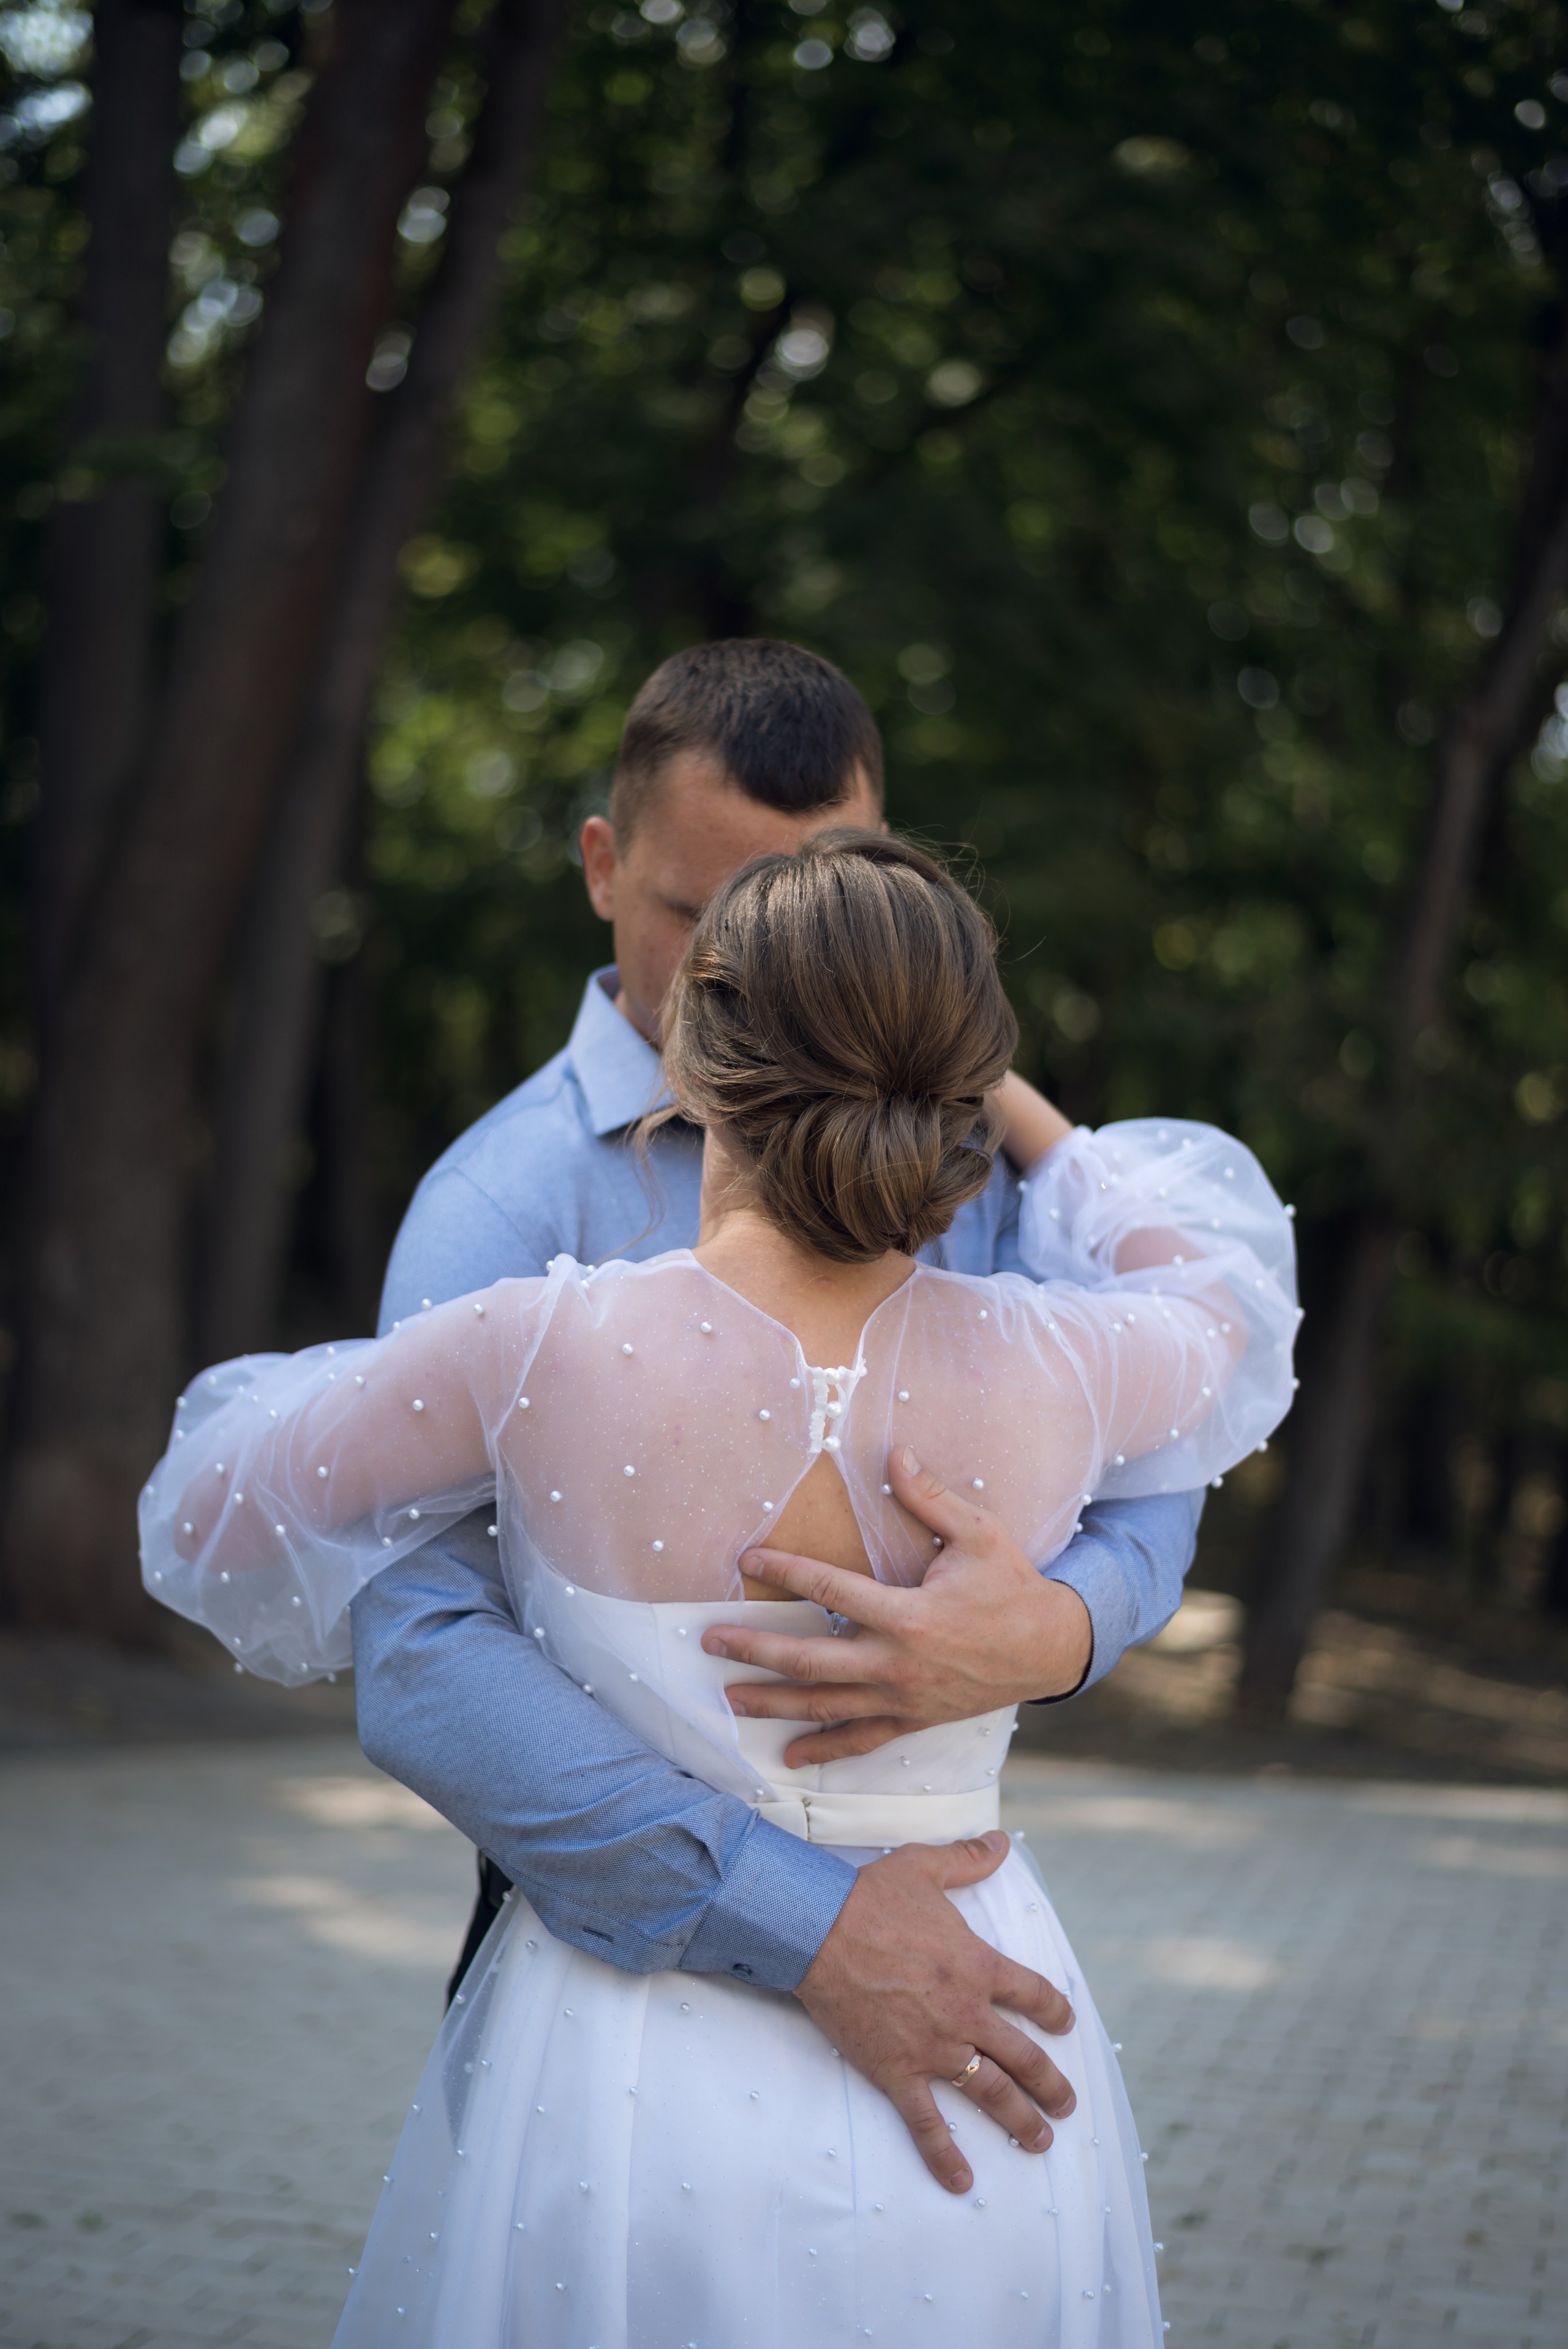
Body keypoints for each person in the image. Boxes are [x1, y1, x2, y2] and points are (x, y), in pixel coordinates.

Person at [140, 829, 1298, 2346]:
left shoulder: (531, 1351)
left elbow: (209, 1516)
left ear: (691, 1065)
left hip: (618, 2055)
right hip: (987, 2041)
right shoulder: (1062, 1362)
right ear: (957, 1086)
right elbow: (1230, 1293)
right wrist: (1002, 1096)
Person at [350, 638, 1211, 2184]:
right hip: (618, 2000)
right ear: (604, 867)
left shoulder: (953, 1150)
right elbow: (413, 1647)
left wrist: (1066, 1627)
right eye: (706, 911)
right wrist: (802, 1922)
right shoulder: (498, 1206)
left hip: (959, 1953)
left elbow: (1162, 1438)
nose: (786, 964)